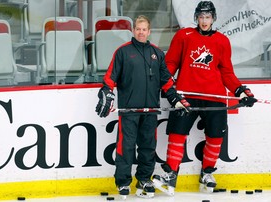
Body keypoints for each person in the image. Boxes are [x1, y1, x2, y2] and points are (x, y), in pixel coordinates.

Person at [152, 1, 257, 195]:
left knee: (216, 136)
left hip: (215, 96)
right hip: (186, 95)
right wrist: (167, 86)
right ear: (196, 18)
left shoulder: (222, 41)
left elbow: (226, 72)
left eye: (207, 17)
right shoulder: (184, 36)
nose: (204, 21)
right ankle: (170, 174)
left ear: (213, 18)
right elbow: (170, 63)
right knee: (176, 133)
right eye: (201, 17)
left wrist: (241, 91)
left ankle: (207, 173)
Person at [95, 15, 190, 199]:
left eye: (144, 29)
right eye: (138, 29)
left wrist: (176, 100)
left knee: (148, 147)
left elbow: (166, 82)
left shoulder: (157, 53)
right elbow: (109, 78)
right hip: (130, 111)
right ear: (133, 30)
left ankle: (144, 179)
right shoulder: (123, 52)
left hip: (150, 110)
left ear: (149, 31)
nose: (141, 32)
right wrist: (107, 92)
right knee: (126, 147)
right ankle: (123, 182)